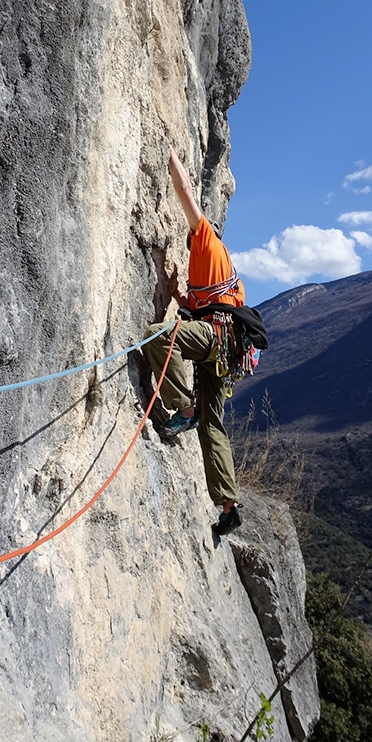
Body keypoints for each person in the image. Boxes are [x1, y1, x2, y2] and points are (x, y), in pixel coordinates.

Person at [142, 148, 244, 536]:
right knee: (213, 425)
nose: (189, 241)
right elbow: (201, 309)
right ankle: (228, 506)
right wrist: (178, 295)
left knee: (157, 337)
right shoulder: (224, 276)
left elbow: (185, 191)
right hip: (224, 349)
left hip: (214, 340)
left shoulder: (206, 241)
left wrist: (168, 154)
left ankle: (183, 407)